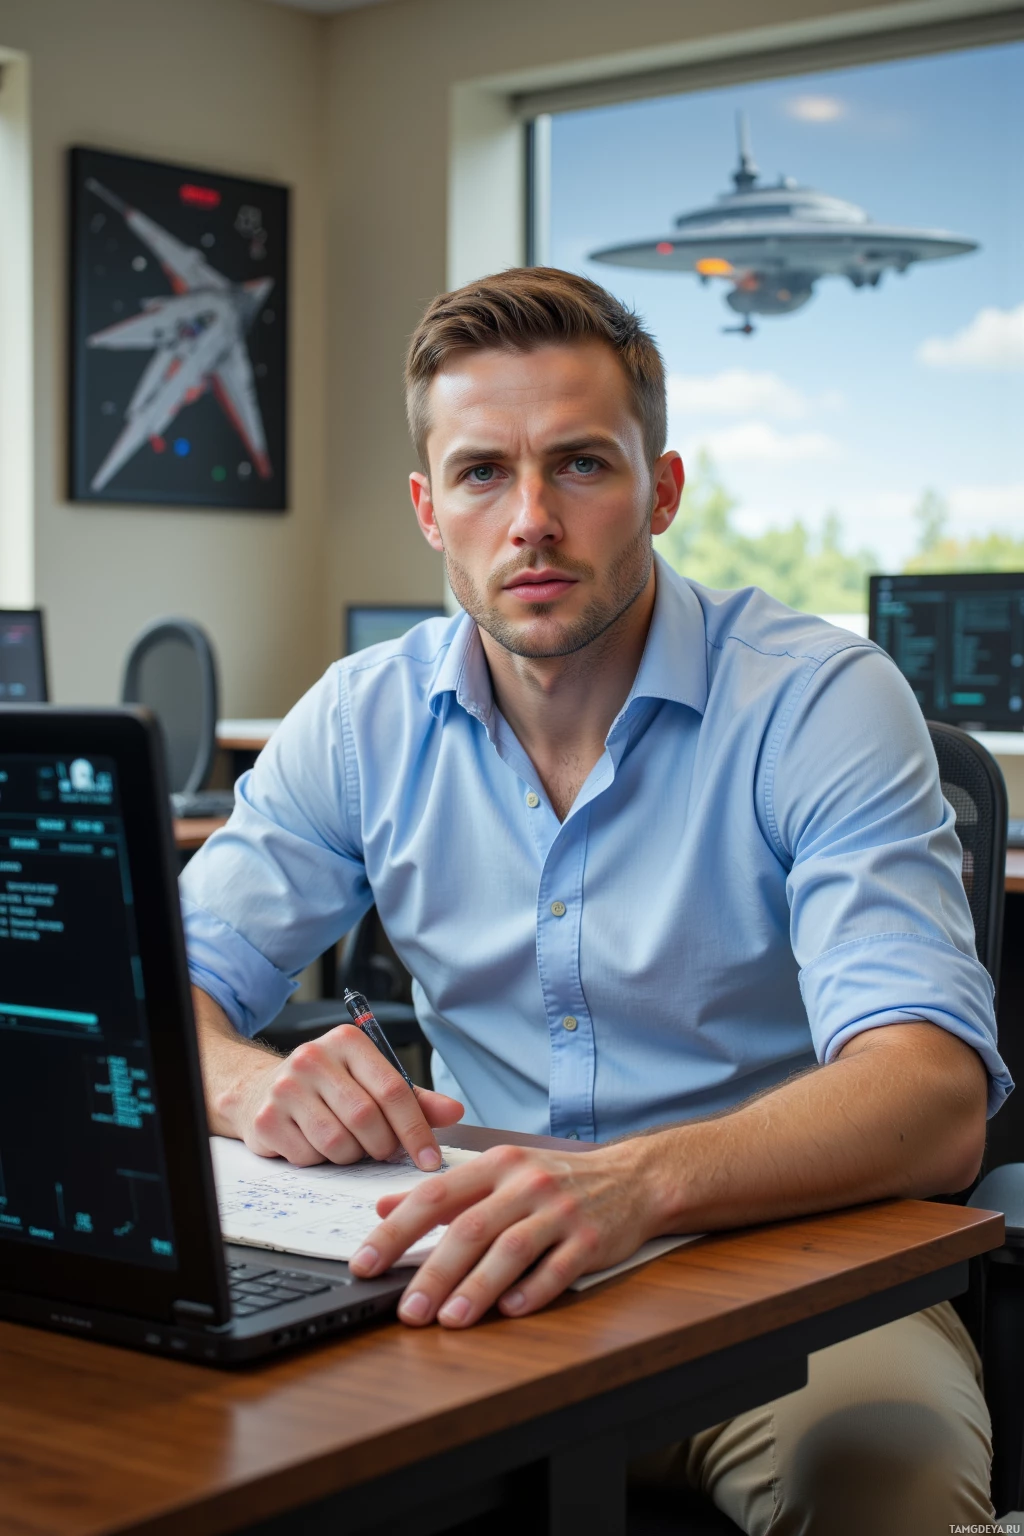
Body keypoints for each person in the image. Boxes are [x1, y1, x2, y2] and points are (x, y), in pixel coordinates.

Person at [181, 267, 1011, 1533]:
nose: (530, 521)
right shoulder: (360, 719)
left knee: (879, 1475)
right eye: (480, 475)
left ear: (661, 490)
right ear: (426, 508)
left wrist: (634, 1184)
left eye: (579, 465)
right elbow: (146, 1003)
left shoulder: (814, 702)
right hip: (465, 1272)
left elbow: (932, 1093)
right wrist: (247, 1084)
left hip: (781, 1278)